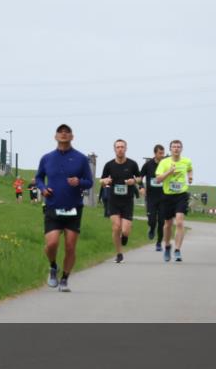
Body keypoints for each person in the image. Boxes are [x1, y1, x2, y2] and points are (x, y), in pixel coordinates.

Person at [35, 124, 94, 292]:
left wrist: (79, 182)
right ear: (55, 137)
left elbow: (89, 182)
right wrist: (43, 189)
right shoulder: (46, 158)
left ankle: (65, 279)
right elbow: (39, 178)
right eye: (60, 132)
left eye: (67, 132)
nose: (63, 134)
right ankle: (53, 266)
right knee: (52, 244)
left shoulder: (81, 159)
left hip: (73, 208)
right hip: (53, 206)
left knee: (70, 246)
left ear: (72, 137)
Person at [99, 139, 141, 264]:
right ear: (114, 149)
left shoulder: (132, 164)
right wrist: (105, 181)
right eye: (118, 147)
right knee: (116, 227)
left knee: (125, 230)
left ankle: (125, 236)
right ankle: (119, 254)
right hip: (113, 200)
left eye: (122, 147)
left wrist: (133, 181)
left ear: (126, 148)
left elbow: (139, 178)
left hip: (127, 201)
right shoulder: (109, 165)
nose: (120, 149)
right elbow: (101, 180)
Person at [155, 140, 194, 263]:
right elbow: (158, 180)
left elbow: (190, 169)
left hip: (181, 195)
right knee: (167, 224)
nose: (176, 149)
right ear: (170, 149)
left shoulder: (186, 161)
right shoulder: (164, 162)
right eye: (174, 147)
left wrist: (190, 176)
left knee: (180, 222)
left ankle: (177, 250)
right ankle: (167, 246)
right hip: (167, 196)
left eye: (178, 147)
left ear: (181, 149)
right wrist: (170, 172)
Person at [139, 144, 166, 251]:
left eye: (163, 153)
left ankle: (159, 243)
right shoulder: (148, 165)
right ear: (155, 153)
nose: (162, 155)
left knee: (162, 222)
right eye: (160, 153)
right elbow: (139, 177)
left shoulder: (166, 165)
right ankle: (151, 228)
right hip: (151, 197)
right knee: (152, 220)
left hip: (164, 197)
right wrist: (141, 187)